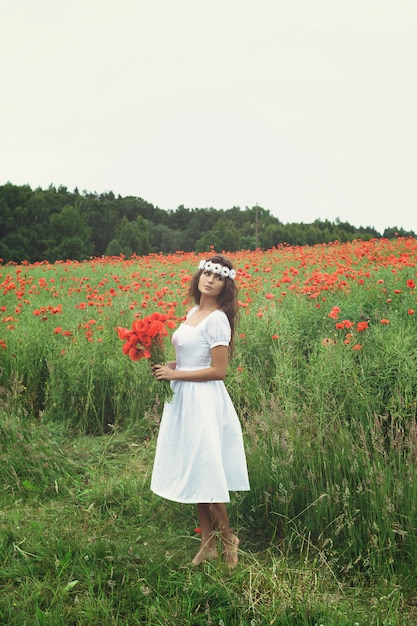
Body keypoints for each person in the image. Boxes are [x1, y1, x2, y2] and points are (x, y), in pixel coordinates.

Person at [150, 254, 250, 567]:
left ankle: (228, 540)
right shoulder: (194, 311)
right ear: (198, 277)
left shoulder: (218, 318)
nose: (210, 279)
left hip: (204, 400)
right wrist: (173, 365)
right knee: (194, 468)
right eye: (206, 273)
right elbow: (193, 357)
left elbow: (218, 371)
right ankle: (207, 543)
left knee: (206, 471)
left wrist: (176, 375)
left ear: (225, 285)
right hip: (183, 398)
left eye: (217, 277)